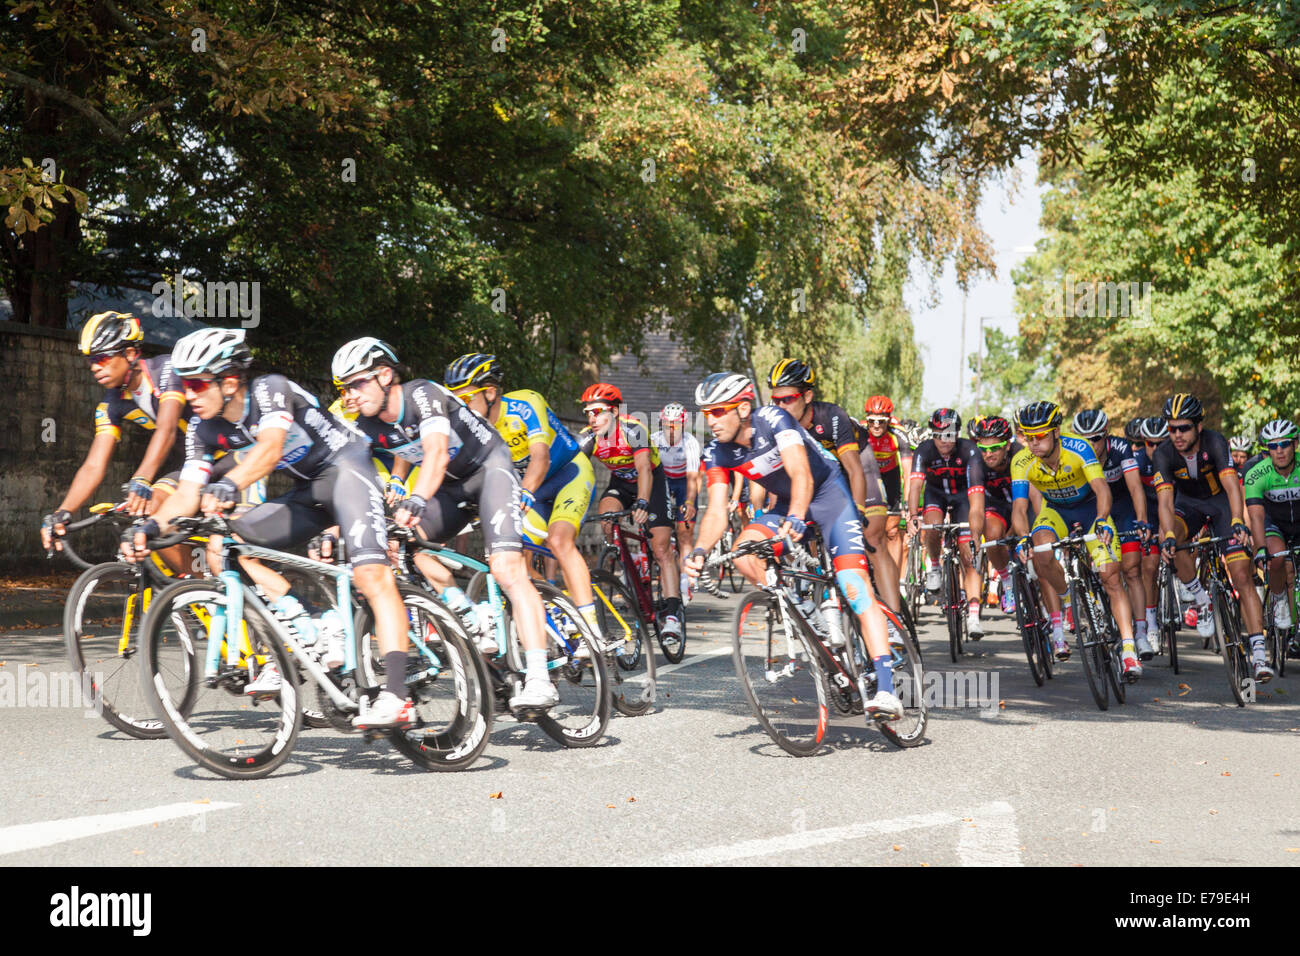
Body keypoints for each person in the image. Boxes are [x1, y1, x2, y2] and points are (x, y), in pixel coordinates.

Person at [119, 328, 415, 726]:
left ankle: (398, 694)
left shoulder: (269, 390)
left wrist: (229, 484)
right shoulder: (202, 430)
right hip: (308, 490)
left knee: (372, 575)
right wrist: (150, 528)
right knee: (225, 546)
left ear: (228, 381)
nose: (187, 394)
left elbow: (270, 448)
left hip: (349, 470)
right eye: (184, 384)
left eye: (195, 383)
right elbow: (187, 492)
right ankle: (307, 620)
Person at [332, 338, 560, 712]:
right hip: (453, 487)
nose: (350, 394)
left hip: (490, 469)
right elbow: (347, 476)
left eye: (357, 383)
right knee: (399, 544)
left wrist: (416, 500)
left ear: (385, 375)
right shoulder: (366, 425)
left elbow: (436, 453)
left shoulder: (422, 394)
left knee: (506, 569)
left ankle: (539, 677)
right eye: (344, 388)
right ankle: (468, 614)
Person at [682, 373, 902, 719]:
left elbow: (802, 473)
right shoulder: (717, 452)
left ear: (742, 408)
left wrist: (799, 515)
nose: (710, 421)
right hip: (786, 504)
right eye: (705, 413)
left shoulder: (775, 420)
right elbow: (714, 511)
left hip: (828, 497)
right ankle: (805, 612)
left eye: (717, 411)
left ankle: (887, 688)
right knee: (745, 552)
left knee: (854, 587)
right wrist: (699, 551)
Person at [1010, 400, 1143, 679]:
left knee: (1111, 577)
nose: (1032, 443)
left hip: (1090, 507)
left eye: (1040, 435)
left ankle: (1129, 651)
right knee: (1041, 550)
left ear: (1056, 432)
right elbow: (1020, 508)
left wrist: (1102, 518)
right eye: (1027, 436)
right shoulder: (1021, 461)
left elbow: (1102, 489)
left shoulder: (1079, 448)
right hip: (1056, 512)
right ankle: (1069, 601)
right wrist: (1023, 538)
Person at [765, 359, 902, 614]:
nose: (781, 406)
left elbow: (854, 470)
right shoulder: (777, 424)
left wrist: (858, 510)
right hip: (823, 477)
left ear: (807, 396)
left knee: (872, 537)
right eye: (776, 400)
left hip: (858, 466)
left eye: (788, 399)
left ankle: (895, 622)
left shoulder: (831, 417)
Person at [1153, 393, 1269, 681]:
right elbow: (1165, 501)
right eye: (1172, 428)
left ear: (1198, 427)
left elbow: (1232, 487)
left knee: (1242, 575)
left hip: (1219, 504)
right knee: (1172, 540)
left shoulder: (1216, 442)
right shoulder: (1163, 453)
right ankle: (1201, 598)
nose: (1177, 434)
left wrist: (1238, 521)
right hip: (1187, 506)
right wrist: (1167, 535)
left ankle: (1259, 653)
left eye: (1184, 428)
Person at [578, 383, 685, 648]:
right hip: (621, 483)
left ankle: (672, 614)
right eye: (588, 412)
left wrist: (643, 502)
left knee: (660, 548)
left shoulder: (633, 429)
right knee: (607, 517)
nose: (592, 418)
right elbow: (573, 469)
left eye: (598, 412)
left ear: (614, 412)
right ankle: (626, 559)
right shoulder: (589, 437)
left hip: (651, 481)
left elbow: (644, 470)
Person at [1071, 409, 1156, 659]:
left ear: (1105, 434)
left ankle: (1141, 633)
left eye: (1095, 439)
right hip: (1093, 511)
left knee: (1131, 570)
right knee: (1106, 573)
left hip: (1122, 508)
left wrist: (1141, 519)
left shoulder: (1120, 448)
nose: (1090, 445)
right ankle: (1099, 616)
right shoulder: (1074, 453)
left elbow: (1135, 487)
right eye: (1084, 440)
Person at [907, 408, 983, 637]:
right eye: (938, 434)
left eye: (949, 434)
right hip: (935, 494)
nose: (944, 440)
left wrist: (976, 532)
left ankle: (973, 616)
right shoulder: (924, 450)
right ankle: (935, 566)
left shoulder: (970, 450)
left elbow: (977, 499)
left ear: (957, 434)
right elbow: (915, 487)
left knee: (968, 556)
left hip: (963, 497)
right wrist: (912, 516)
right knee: (932, 526)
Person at [1244, 420, 1300, 664]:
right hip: (1273, 524)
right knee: (1276, 558)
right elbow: (1255, 515)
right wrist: (1261, 549)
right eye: (1273, 446)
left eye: (1285, 444)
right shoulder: (1256, 473)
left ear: (1295, 444)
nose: (1279, 451)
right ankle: (1278, 600)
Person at [651, 402, 711, 597]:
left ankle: (686, 580)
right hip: (663, 480)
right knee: (661, 529)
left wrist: (689, 503)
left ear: (682, 426)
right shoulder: (655, 440)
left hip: (684, 482)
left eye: (675, 425)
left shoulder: (690, 442)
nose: (671, 429)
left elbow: (694, 478)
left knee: (685, 532)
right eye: (667, 424)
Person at [966, 415, 1024, 613]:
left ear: (1007, 445)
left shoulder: (1020, 455)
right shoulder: (975, 463)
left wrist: (1013, 533)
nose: (988, 454)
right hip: (997, 506)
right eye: (983, 449)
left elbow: (1022, 504)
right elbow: (975, 508)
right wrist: (974, 536)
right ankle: (1006, 581)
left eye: (994, 448)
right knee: (990, 534)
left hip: (1023, 504)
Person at [861, 395, 913, 574]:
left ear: (888, 420)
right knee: (866, 530)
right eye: (872, 421)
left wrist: (907, 504)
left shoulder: (898, 435)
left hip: (890, 477)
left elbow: (908, 472)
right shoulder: (859, 432)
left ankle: (897, 580)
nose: (876, 425)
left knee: (891, 531)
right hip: (868, 476)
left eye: (881, 421)